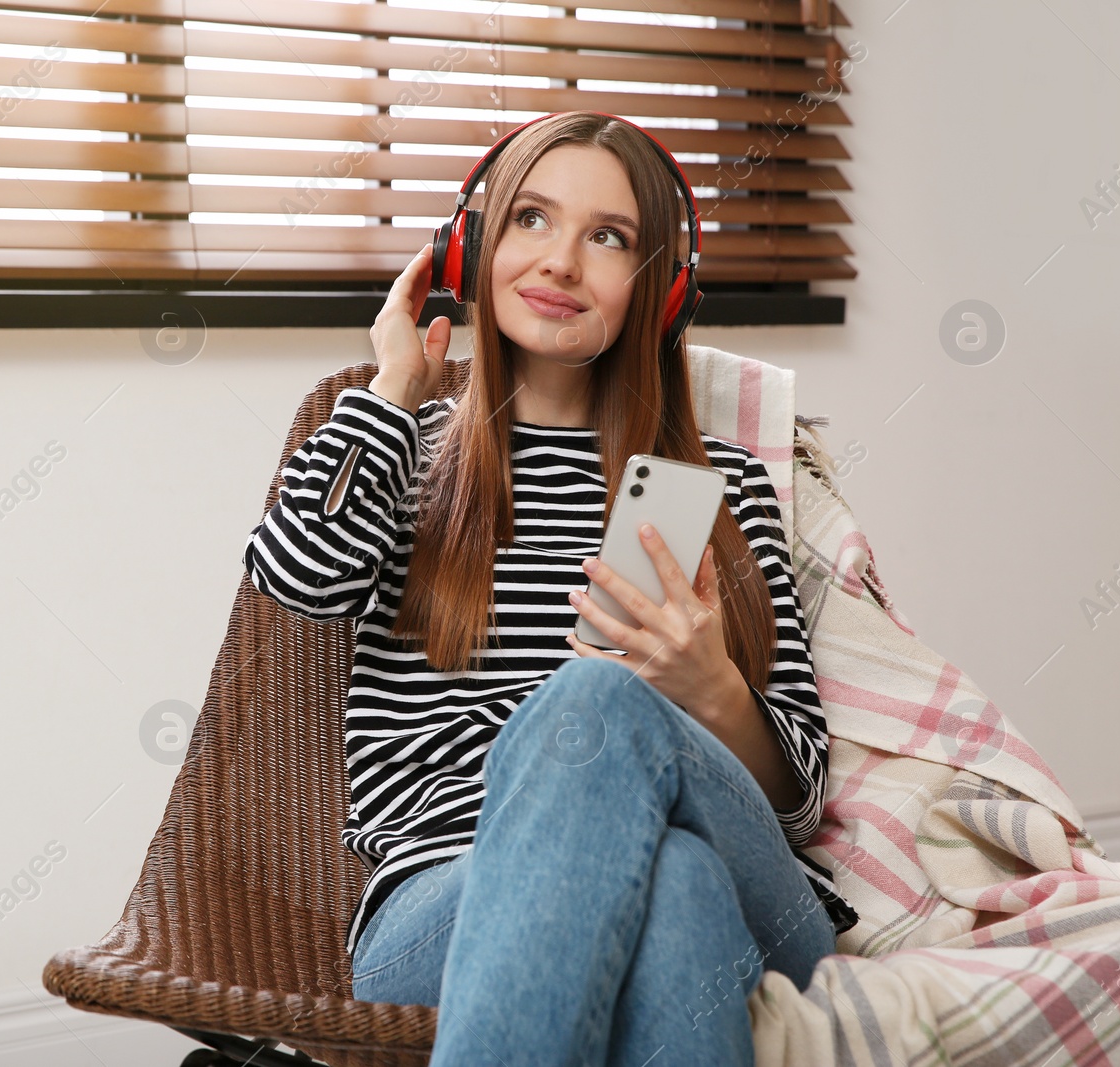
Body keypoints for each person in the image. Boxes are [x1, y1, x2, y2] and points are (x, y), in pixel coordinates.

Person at [243, 111, 859, 1066]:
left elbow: (798, 802)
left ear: (660, 291)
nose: (562, 260)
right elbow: (296, 584)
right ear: (468, 251)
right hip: (448, 900)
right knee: (676, 880)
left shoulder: (723, 485)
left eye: (608, 237)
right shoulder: (400, 452)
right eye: (530, 219)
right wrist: (393, 388)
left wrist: (712, 690)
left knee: (605, 708)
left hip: (763, 904)